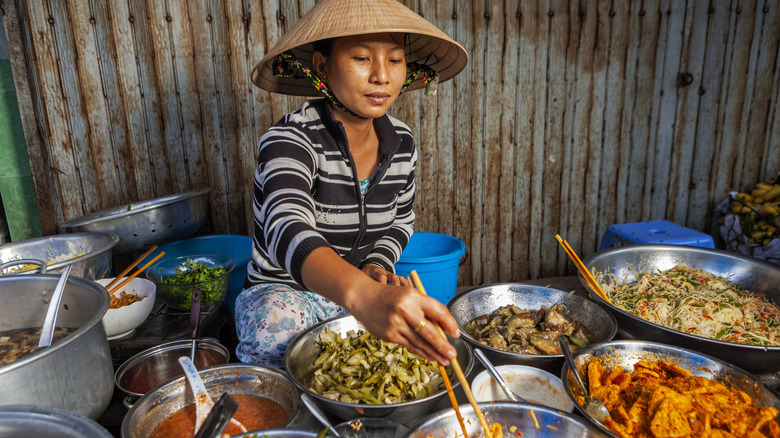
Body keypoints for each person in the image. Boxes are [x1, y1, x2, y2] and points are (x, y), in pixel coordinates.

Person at [236, 0, 469, 369]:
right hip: (284, 293)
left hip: (362, 292)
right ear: (322, 66)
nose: (382, 76)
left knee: (398, 359)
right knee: (281, 344)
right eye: (362, 58)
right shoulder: (289, 139)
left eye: (394, 60)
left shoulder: (402, 142)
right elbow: (286, 225)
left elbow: (402, 220)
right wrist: (363, 294)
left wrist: (375, 265)